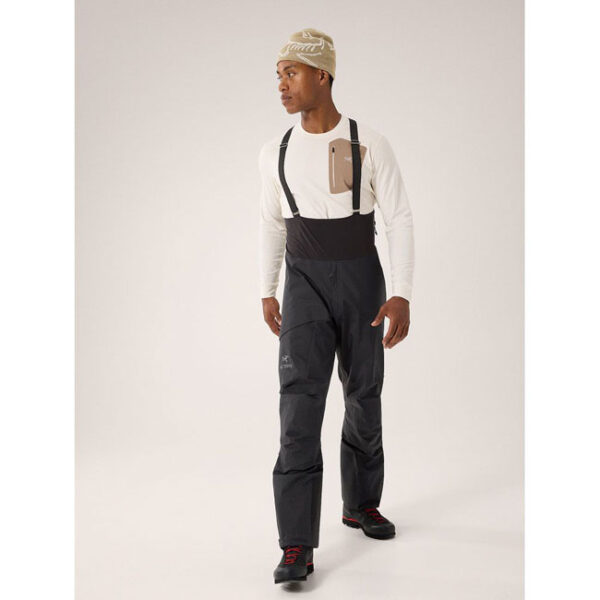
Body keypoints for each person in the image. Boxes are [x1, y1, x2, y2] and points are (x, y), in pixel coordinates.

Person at [258, 28, 415, 584]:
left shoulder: (367, 143)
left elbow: (398, 217)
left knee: (364, 396)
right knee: (299, 407)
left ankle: (361, 503)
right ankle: (296, 544)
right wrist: (267, 287)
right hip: (303, 284)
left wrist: (401, 292)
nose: (281, 84)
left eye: (291, 72)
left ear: (322, 75)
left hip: (362, 281)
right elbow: (272, 222)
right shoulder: (275, 152)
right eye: (278, 74)